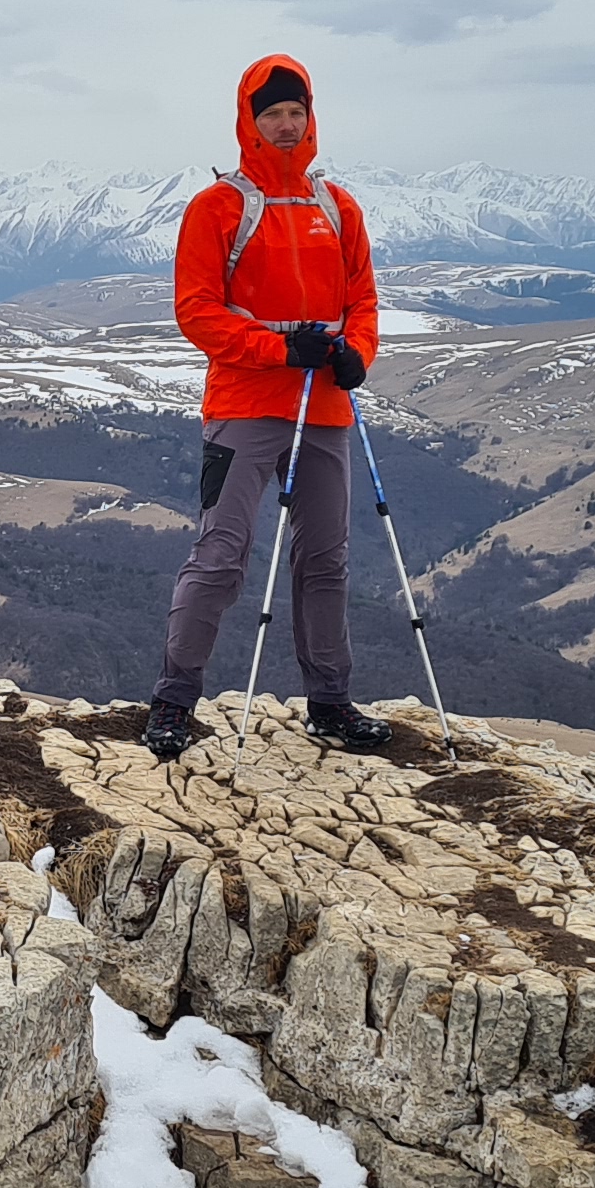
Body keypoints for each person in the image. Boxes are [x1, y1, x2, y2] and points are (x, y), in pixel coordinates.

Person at [141, 54, 394, 761]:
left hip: (326, 407)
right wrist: (280, 350)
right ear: (249, 123)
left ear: (311, 119)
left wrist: (357, 353)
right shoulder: (217, 207)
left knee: (326, 561)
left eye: (296, 112)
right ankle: (173, 700)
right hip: (246, 404)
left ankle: (331, 704)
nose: (286, 125)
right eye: (273, 113)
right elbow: (196, 311)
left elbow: (363, 301)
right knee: (221, 556)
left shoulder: (338, 207)